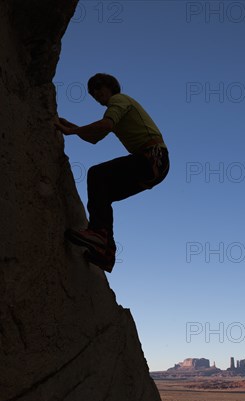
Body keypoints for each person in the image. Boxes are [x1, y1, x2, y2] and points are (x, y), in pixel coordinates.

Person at [55, 73, 170, 272]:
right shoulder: (115, 110)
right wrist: (72, 127)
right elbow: (94, 138)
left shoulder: (119, 100)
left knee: (96, 175)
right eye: (92, 92)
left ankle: (98, 234)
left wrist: (73, 131)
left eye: (98, 88)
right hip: (155, 167)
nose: (96, 94)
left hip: (154, 157)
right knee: (103, 194)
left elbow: (105, 126)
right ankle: (105, 253)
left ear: (110, 86)